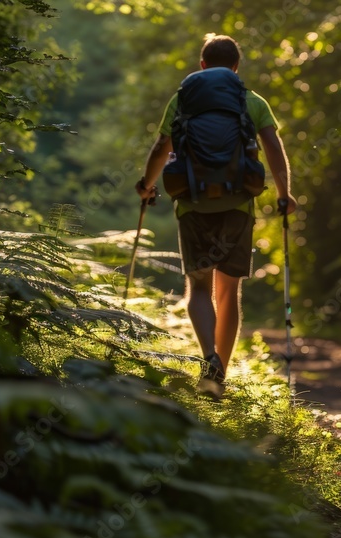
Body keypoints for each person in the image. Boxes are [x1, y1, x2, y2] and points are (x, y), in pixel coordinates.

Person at [135, 34, 296, 386]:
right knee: (228, 292)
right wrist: (286, 194)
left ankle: (209, 360)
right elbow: (272, 148)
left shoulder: (182, 101)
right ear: (236, 67)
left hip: (192, 204)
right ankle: (220, 374)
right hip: (238, 204)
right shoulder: (251, 102)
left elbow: (162, 146)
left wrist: (147, 185)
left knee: (198, 287)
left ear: (203, 65)